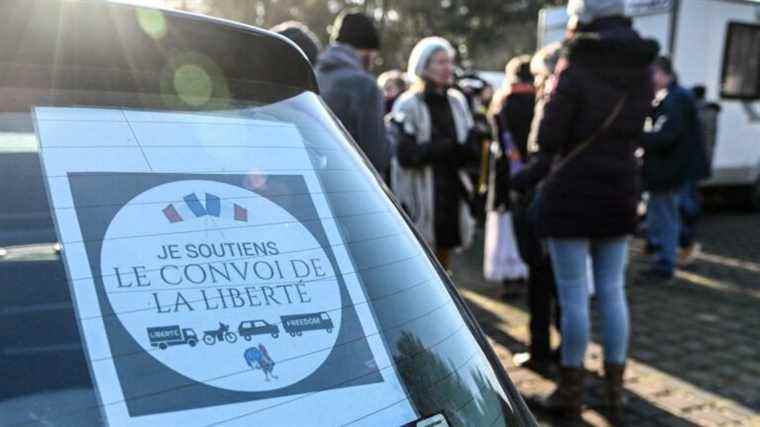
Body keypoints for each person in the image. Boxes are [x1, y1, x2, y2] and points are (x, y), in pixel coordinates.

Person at [513, 0, 659, 422]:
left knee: (574, 294)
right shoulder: (643, 62)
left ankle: (571, 391)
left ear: (585, 16)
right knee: (613, 290)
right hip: (620, 186)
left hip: (573, 189)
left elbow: (548, 135)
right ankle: (615, 392)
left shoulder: (577, 60)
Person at [391, 37, 478, 271]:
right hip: (421, 194)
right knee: (420, 262)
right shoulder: (408, 104)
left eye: (449, 62)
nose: (447, 68)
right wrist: (444, 147)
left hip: (450, 193)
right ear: (423, 65)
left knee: (445, 258)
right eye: (440, 62)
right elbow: (405, 155)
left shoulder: (458, 102)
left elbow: (469, 149)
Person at [507, 46, 563, 374]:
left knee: (541, 283)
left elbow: (544, 158)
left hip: (545, 203)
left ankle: (540, 351)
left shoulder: (554, 104)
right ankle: (567, 354)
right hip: (571, 205)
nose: (537, 82)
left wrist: (516, 183)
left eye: (541, 75)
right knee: (564, 288)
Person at [641, 57, 707, 279]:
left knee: (667, 215)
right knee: (668, 214)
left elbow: (666, 136)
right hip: (673, 169)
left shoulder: (674, 99)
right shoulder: (676, 96)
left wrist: (638, 136)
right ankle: (666, 253)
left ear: (661, 73)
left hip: (669, 170)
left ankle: (665, 263)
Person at [315, 10, 389, 177]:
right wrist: (393, 134)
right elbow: (377, 156)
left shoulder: (315, 76)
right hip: (355, 191)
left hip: (322, 185)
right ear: (368, 51)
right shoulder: (365, 85)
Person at [485, 56, 534, 296]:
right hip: (532, 174)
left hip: (506, 174)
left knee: (506, 228)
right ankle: (525, 275)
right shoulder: (540, 100)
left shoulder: (502, 103)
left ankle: (508, 278)